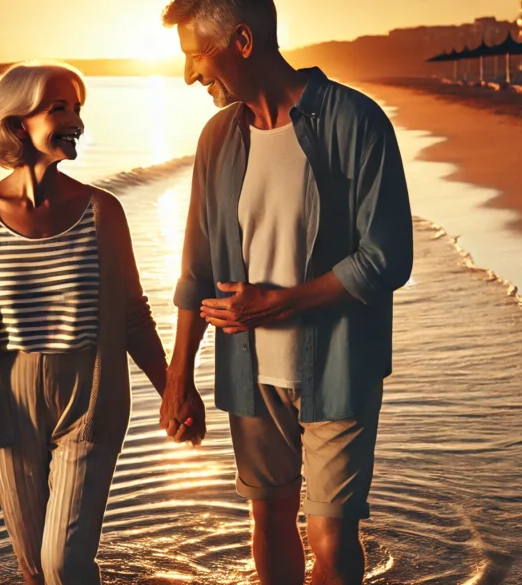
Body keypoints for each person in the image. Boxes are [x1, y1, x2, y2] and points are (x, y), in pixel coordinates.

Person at [157, 1, 414, 583]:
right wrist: (179, 378)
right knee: (268, 520)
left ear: (243, 41)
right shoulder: (216, 138)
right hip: (249, 372)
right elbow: (195, 268)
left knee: (330, 534)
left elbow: (387, 258)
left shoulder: (356, 121)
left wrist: (276, 304)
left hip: (341, 366)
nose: (191, 74)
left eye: (199, 55)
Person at [0, 61, 169, 585]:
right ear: (18, 125)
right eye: (59, 108)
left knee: (64, 563)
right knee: (33, 569)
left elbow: (133, 315)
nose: (76, 121)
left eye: (78, 108)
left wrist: (173, 389)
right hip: (4, 403)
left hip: (89, 397)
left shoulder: (102, 210)